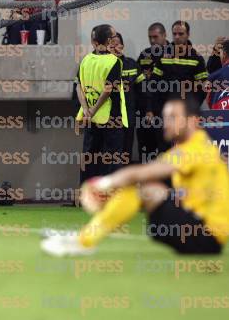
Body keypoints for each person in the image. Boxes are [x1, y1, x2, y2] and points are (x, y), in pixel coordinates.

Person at [41, 96, 229, 256]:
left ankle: (84, 241)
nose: (166, 123)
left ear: (193, 121)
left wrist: (103, 183)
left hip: (206, 236)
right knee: (151, 189)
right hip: (199, 231)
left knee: (145, 189)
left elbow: (141, 173)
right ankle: (84, 237)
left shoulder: (196, 149)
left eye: (173, 117)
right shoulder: (197, 146)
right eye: (165, 117)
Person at [76, 24, 128, 184]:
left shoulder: (86, 59)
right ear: (107, 40)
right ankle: (112, 194)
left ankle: (85, 194)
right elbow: (107, 90)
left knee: (90, 156)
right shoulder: (114, 61)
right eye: (113, 37)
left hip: (91, 118)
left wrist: (86, 110)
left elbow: (78, 85)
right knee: (113, 157)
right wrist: (93, 109)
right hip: (110, 117)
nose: (114, 39)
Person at [151, 21, 209, 152]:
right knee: (164, 149)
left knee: (187, 149)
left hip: (186, 114)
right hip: (165, 112)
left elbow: (203, 87)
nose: (177, 37)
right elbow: (153, 84)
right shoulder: (163, 55)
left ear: (188, 35)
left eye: (181, 33)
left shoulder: (196, 58)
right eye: (174, 34)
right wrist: (156, 108)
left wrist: (191, 107)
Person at [136, 22, 168, 162]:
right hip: (146, 110)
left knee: (166, 148)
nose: (153, 40)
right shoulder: (144, 55)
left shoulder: (173, 53)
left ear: (164, 35)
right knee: (146, 147)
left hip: (166, 109)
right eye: (150, 37)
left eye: (156, 37)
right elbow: (139, 83)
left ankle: (168, 182)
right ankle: (147, 181)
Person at [111, 33, 144, 162]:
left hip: (128, 118)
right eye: (111, 44)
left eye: (117, 43)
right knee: (110, 155)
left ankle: (126, 181)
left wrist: (146, 111)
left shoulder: (132, 64)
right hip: (109, 119)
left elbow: (142, 91)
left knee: (126, 152)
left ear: (122, 46)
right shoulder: (103, 66)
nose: (114, 47)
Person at [207, 40, 229, 110]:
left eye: (220, 53)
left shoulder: (213, 77)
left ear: (224, 54)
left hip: (222, 118)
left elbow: (210, 102)